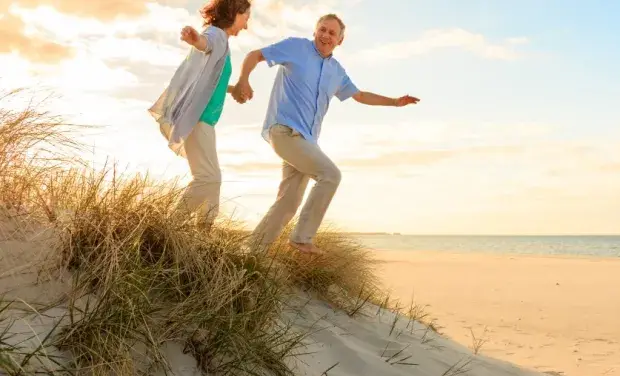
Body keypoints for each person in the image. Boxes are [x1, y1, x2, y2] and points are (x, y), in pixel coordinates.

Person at [232, 13, 419, 255]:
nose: (326, 36)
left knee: (289, 202)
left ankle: (251, 251)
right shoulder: (296, 47)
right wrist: (243, 80)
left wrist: (394, 102)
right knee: (330, 175)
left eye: (332, 33)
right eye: (322, 30)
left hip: (307, 142)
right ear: (315, 31)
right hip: (284, 131)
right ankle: (302, 238)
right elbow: (254, 55)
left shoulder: (337, 71)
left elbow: (360, 95)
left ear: (339, 41)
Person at [148, 0, 251, 229]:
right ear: (234, 13)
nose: (245, 26)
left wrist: (233, 89)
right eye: (245, 18)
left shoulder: (222, 40)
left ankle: (203, 234)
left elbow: (209, 79)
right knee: (208, 178)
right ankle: (167, 229)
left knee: (213, 179)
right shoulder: (215, 35)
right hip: (198, 119)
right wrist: (196, 40)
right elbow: (206, 43)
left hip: (205, 120)